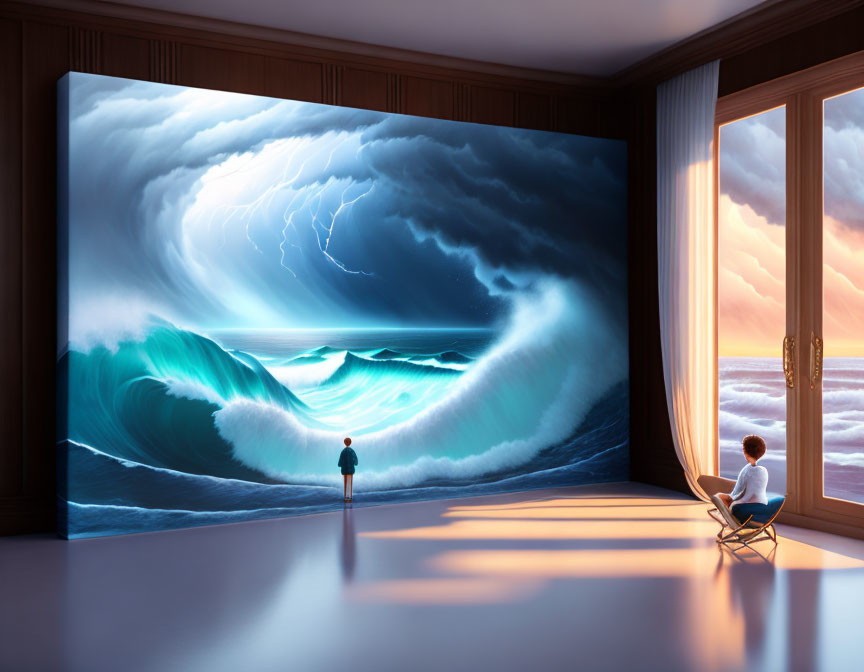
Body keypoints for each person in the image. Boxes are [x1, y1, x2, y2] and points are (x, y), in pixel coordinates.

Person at [716, 435, 768, 516]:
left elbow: (748, 495)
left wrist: (733, 502)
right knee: (719, 496)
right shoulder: (759, 469)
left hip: (749, 505)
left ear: (745, 451)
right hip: (759, 502)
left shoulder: (752, 470)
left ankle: (727, 519)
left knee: (718, 498)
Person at [338, 437, 358, 502]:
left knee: (345, 483)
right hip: (351, 470)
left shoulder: (343, 451)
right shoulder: (352, 451)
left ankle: (345, 498)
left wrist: (340, 464)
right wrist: (355, 463)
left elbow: (340, 462)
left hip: (344, 470)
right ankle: (350, 497)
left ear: (344, 443)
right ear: (350, 443)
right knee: (350, 483)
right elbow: (356, 461)